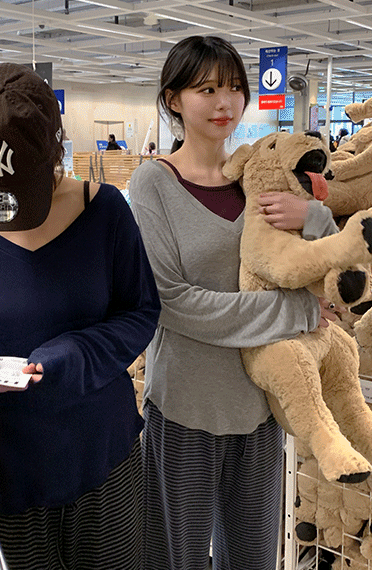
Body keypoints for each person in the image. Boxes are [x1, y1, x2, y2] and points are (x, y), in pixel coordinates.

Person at [0, 63, 160, 570]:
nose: (7, 208)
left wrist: (74, 354)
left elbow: (140, 311)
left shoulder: (105, 212)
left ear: (56, 148)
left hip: (103, 458)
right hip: (5, 468)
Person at [129, 35, 340, 570]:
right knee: (174, 559)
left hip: (260, 405)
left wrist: (314, 217)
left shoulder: (261, 178)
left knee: (251, 559)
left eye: (233, 88)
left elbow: (334, 268)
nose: (224, 103)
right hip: (185, 408)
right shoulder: (153, 183)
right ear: (174, 99)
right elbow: (174, 302)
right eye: (206, 90)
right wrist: (296, 313)